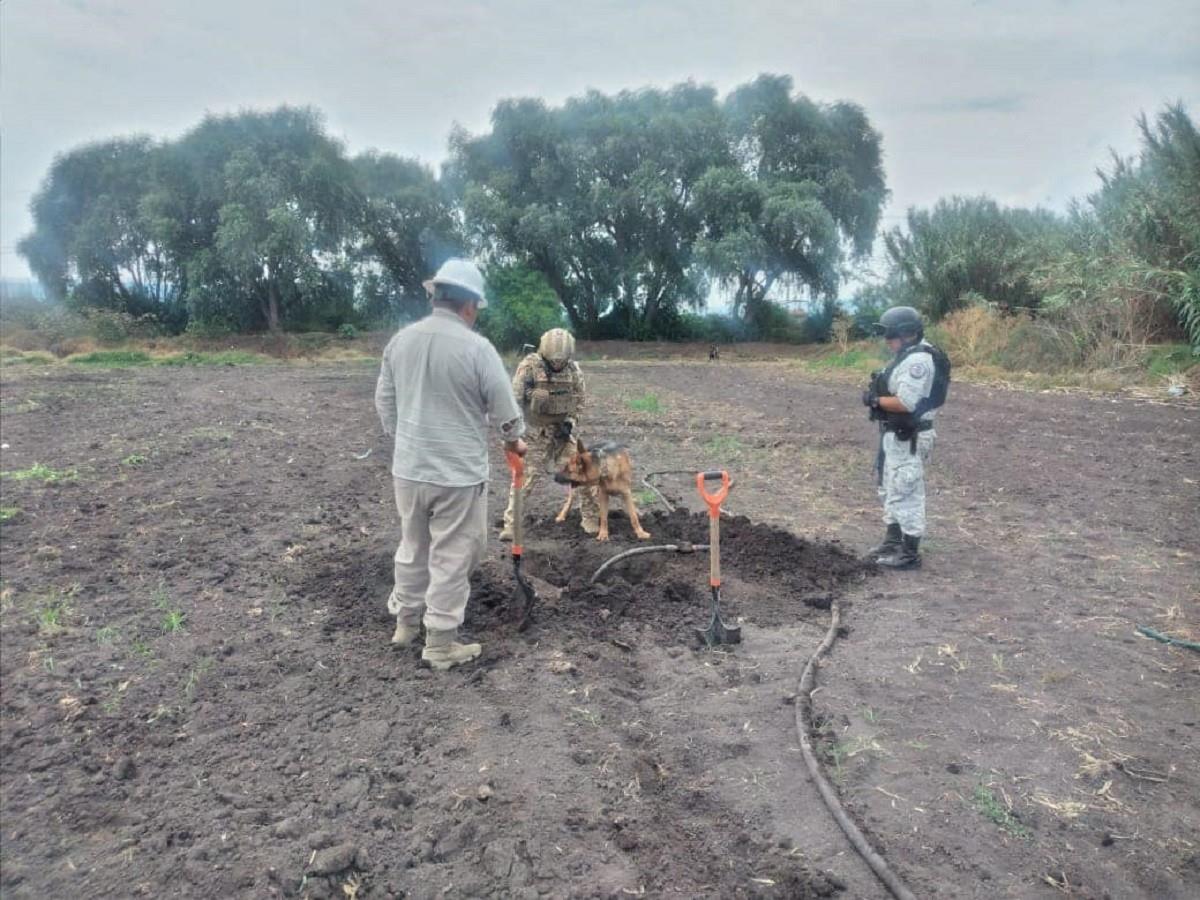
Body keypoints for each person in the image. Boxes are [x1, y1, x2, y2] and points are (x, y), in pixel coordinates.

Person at [374, 258, 527, 670]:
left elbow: (385, 403)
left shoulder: (400, 341)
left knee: (413, 545)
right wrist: (514, 442)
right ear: (470, 305)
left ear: (435, 296)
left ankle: (405, 624)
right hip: (457, 474)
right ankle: (440, 642)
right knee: (453, 554)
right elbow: (505, 413)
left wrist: (408, 440)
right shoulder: (477, 348)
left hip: (408, 469)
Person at [499, 328, 601, 540]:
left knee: (582, 473)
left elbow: (579, 401)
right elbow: (513, 401)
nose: (557, 364)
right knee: (524, 480)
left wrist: (570, 423)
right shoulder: (529, 367)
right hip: (535, 433)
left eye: (561, 360)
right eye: (553, 361)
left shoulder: (573, 371)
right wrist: (515, 432)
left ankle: (590, 518)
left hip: (562, 433)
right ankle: (511, 524)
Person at [862, 306, 942, 570]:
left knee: (906, 489)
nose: (887, 341)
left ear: (908, 333)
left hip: (909, 435)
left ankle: (909, 552)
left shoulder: (918, 361)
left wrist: (875, 400)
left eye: (891, 335)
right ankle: (893, 540)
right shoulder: (906, 355)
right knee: (890, 487)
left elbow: (906, 403)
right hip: (896, 434)